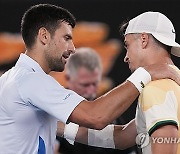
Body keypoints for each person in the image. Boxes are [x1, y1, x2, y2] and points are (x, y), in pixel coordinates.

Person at [0, 3, 179, 153]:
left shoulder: (11, 79)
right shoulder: (30, 80)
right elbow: (100, 119)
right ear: (44, 36)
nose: (72, 48)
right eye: (66, 38)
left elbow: (123, 136)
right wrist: (147, 73)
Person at [58, 11, 180, 154]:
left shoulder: (157, 86)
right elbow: (122, 137)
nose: (126, 57)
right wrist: (59, 127)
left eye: (127, 45)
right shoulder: (173, 79)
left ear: (144, 39)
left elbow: (167, 138)